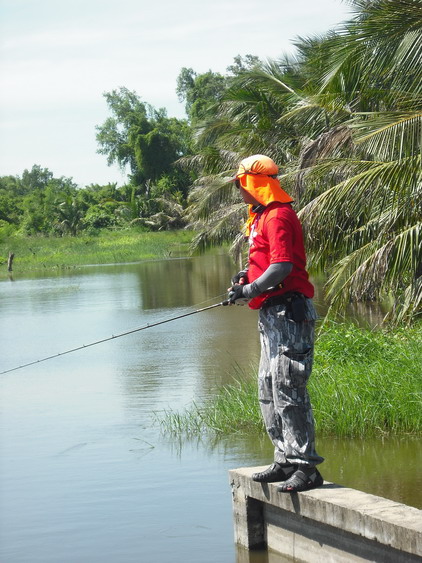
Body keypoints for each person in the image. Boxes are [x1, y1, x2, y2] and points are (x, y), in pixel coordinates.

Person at [227, 154, 324, 493]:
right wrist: (244, 281)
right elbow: (264, 262)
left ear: (253, 183)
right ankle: (284, 460)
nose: (239, 191)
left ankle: (305, 466)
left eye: (241, 184)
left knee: (288, 386)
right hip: (270, 313)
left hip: (289, 312)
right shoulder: (260, 217)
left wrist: (249, 290)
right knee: (268, 388)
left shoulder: (279, 215)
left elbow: (282, 266)